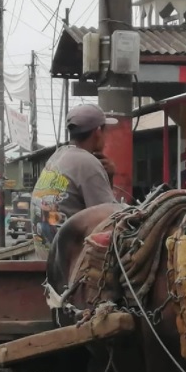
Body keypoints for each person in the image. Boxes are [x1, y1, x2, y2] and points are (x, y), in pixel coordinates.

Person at [30, 103, 120, 258]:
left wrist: (109, 176)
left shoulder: (57, 156)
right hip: (70, 262)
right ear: (98, 132)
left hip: (46, 254)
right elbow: (112, 221)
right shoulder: (88, 163)